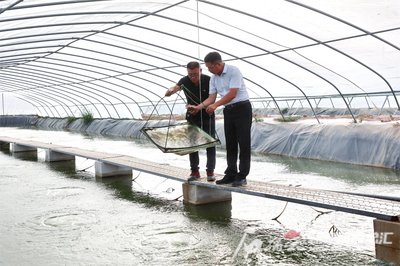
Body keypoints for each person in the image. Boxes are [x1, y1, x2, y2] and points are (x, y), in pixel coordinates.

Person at [187, 52, 252, 187]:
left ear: (218, 64)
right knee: (230, 143)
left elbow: (233, 94)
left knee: (243, 142)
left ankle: (242, 176)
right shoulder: (214, 78)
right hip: (228, 110)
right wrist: (198, 107)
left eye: (210, 67)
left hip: (242, 108)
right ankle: (231, 173)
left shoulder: (233, 71)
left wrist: (216, 105)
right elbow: (211, 98)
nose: (209, 70)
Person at [165, 61, 216, 182]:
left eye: (195, 74)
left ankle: (210, 171)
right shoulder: (184, 80)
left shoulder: (209, 80)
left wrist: (200, 107)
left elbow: (212, 98)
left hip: (207, 114)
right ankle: (194, 171)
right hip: (192, 115)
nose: (193, 77)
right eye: (190, 74)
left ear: (201, 71)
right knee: (192, 143)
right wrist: (170, 90)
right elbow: (176, 87)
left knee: (210, 143)